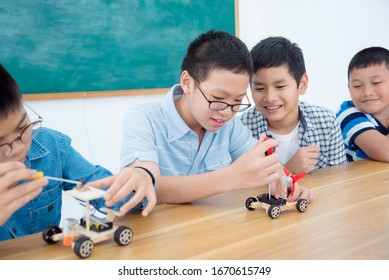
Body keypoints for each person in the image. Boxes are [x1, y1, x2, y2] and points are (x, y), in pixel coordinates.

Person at [90, 30, 312, 206]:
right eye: (218, 98)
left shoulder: (230, 127)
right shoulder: (144, 118)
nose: (226, 111)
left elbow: (266, 166)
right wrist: (231, 177)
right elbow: (149, 182)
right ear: (188, 82)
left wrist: (284, 182)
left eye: (237, 101)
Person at [0, 63, 156, 241]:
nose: (19, 148)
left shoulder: (53, 147)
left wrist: (137, 181)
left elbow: (114, 196)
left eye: (23, 127)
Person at [240, 36, 347, 174]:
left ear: (302, 84)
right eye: (259, 88)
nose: (270, 97)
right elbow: (241, 190)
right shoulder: (242, 129)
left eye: (280, 86)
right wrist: (288, 171)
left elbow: (338, 180)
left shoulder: (327, 122)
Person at [336, 47, 389, 162]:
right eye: (357, 86)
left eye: (376, 83)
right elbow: (386, 152)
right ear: (349, 89)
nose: (367, 92)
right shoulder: (348, 114)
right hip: (359, 179)